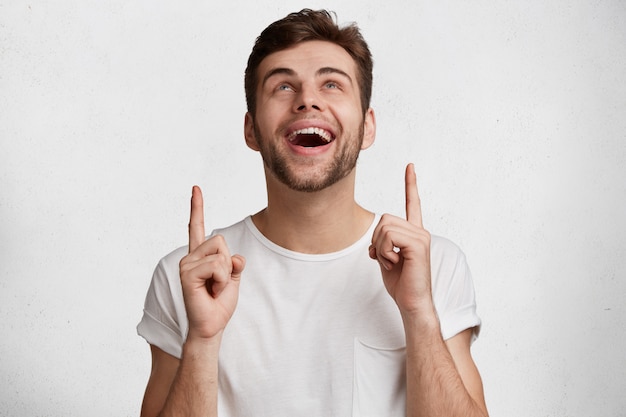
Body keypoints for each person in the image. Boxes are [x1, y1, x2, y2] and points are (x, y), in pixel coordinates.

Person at [137, 9, 488, 417]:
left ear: (367, 127)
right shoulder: (189, 276)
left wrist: (419, 314)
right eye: (283, 86)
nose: (307, 99)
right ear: (251, 129)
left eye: (332, 84)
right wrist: (201, 339)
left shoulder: (435, 266)